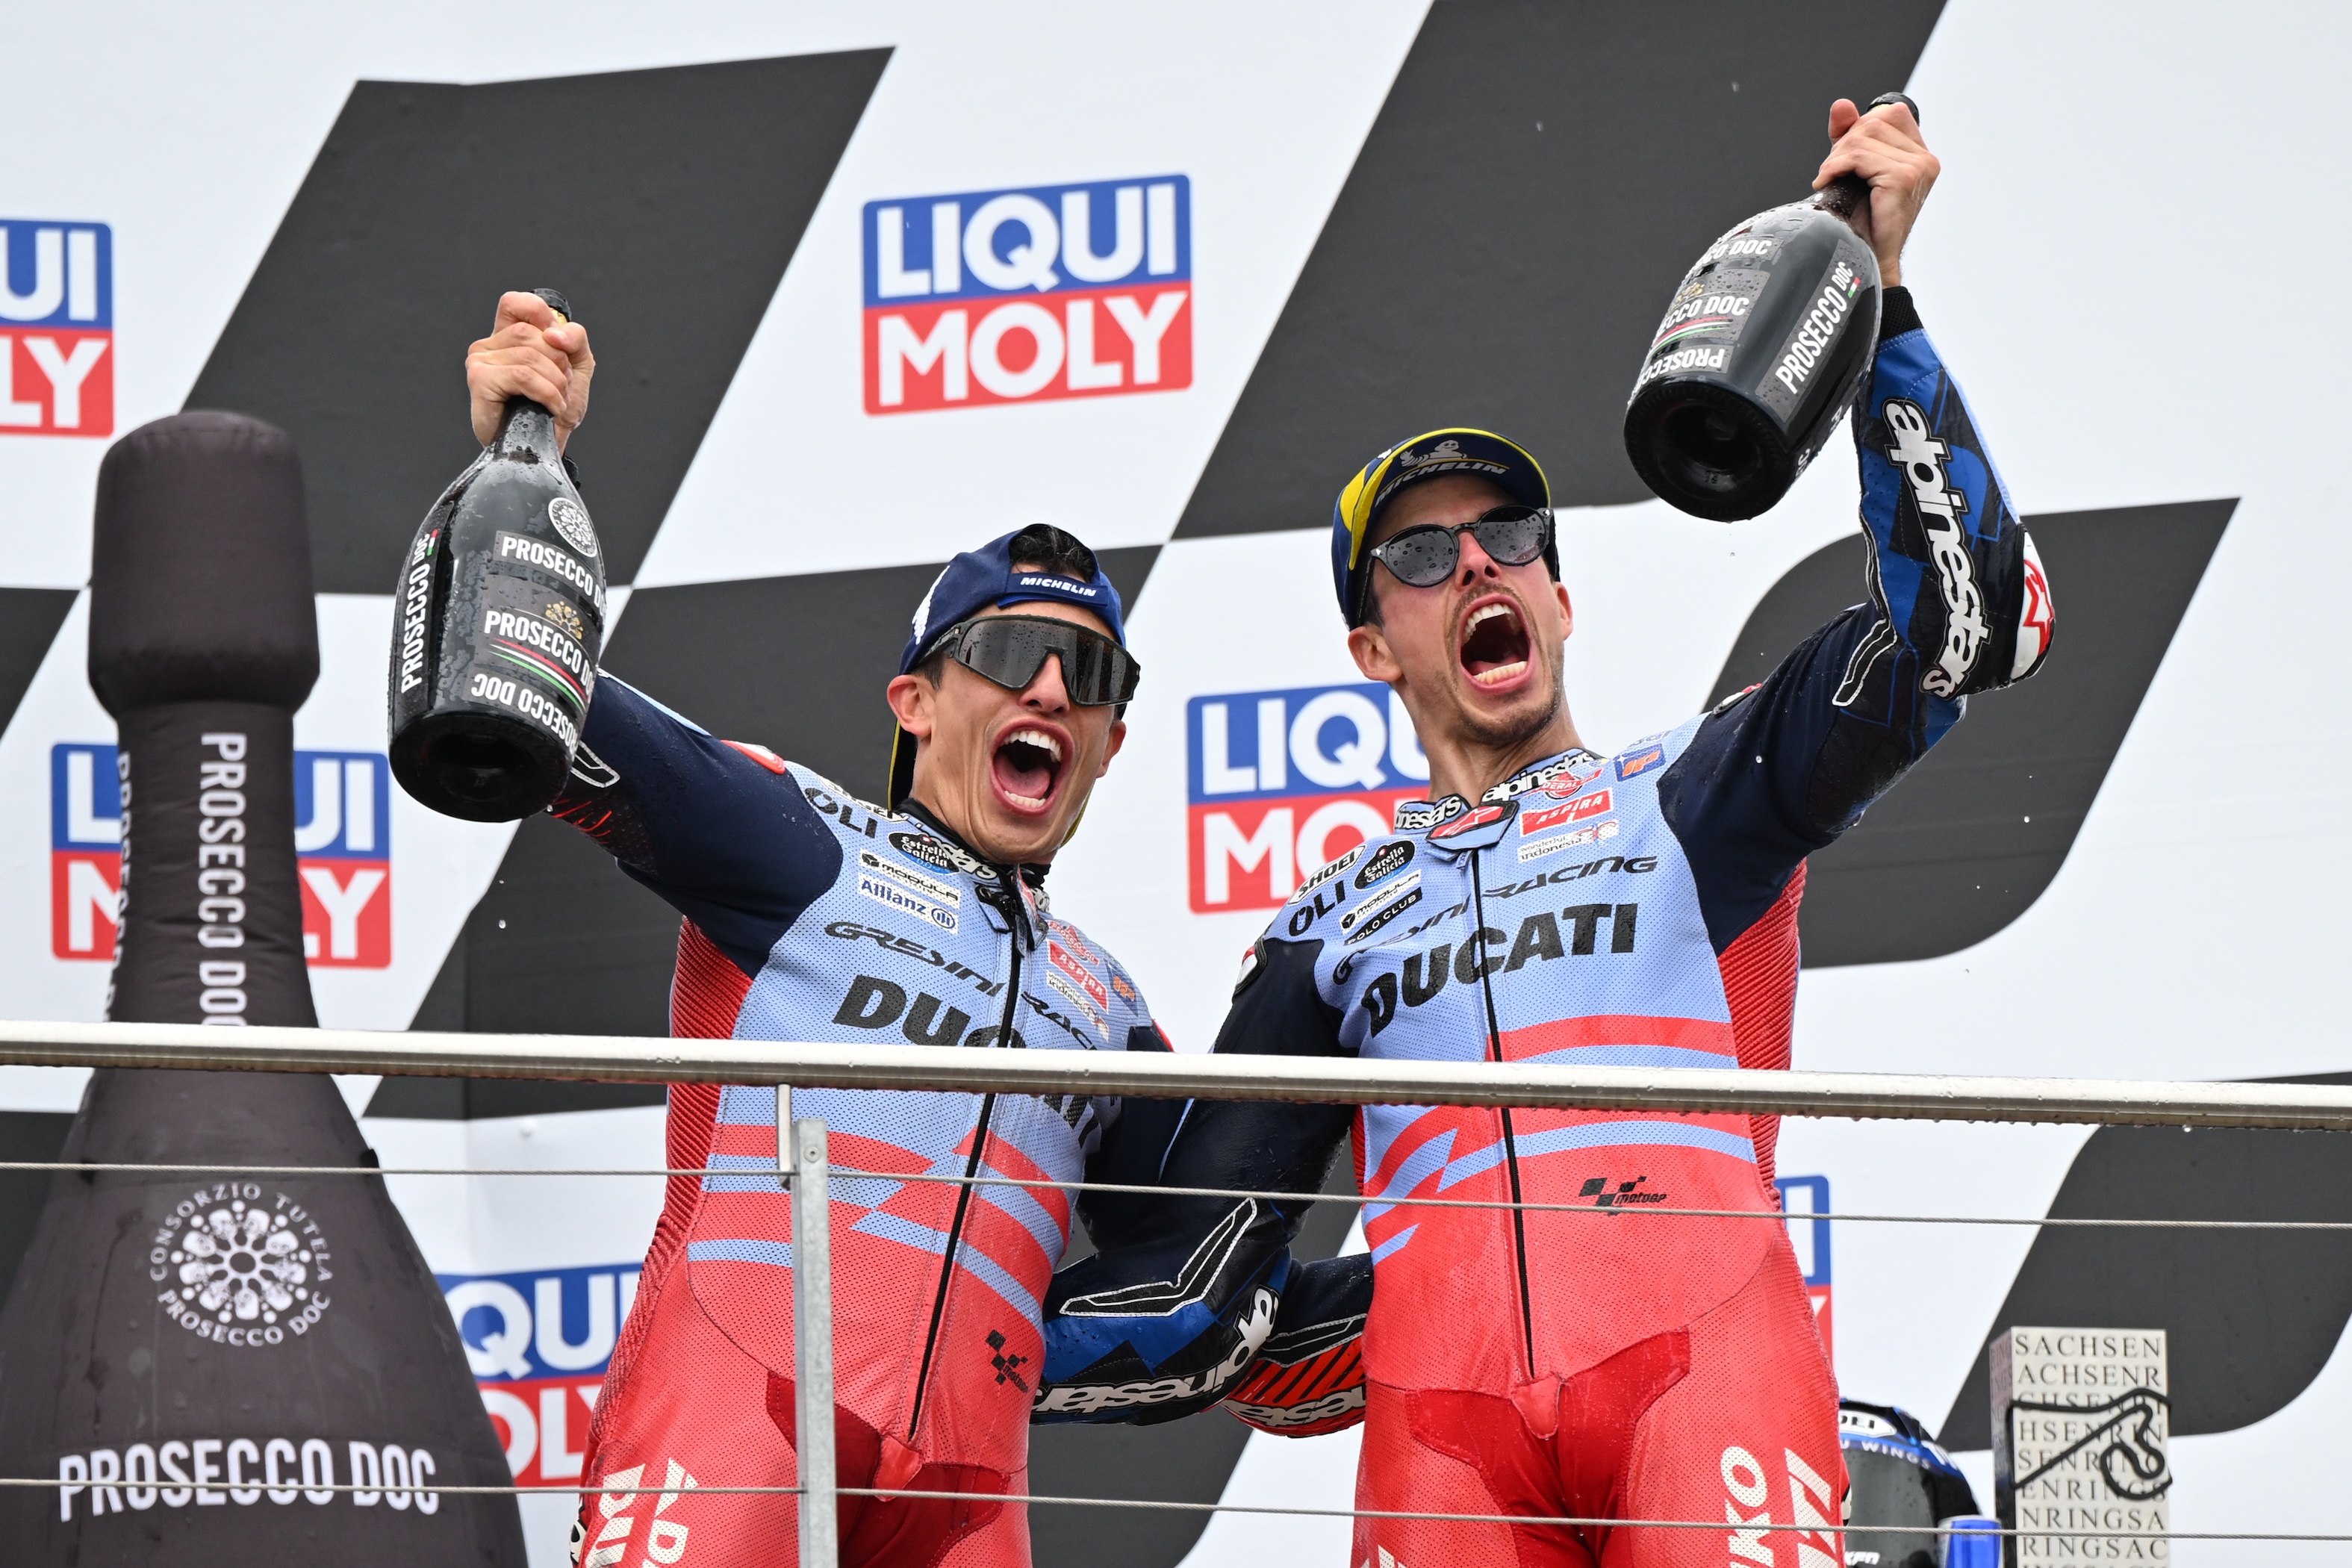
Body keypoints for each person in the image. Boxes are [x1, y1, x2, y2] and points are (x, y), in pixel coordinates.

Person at [1039, 98, 2055, 1566]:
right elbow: (1198, 1285)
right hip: (1443, 1433)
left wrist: (1878, 306)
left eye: (1511, 536)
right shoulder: (1327, 926)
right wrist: (916, 1340)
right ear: (1371, 647)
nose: (1477, 565)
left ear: (1560, 600)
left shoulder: (1701, 783)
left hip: (1703, 1374)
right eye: (1421, 553)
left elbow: (1970, 628)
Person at [455, 295, 1262, 1568]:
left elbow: (1221, 1275)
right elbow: (513, 677)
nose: (1054, 686)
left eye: (1093, 674)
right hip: (735, 1431)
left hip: (967, 1498)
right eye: (1010, 650)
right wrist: (526, 448)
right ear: (914, 702)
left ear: (1111, 742)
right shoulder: (797, 838)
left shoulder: (1108, 1009)